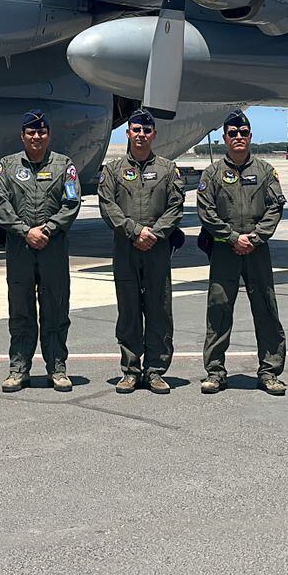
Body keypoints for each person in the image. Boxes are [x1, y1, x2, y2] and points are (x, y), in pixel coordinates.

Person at [196, 110, 287, 395]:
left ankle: (270, 371)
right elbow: (206, 212)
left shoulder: (265, 171)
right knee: (219, 310)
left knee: (266, 309)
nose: (238, 138)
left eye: (243, 133)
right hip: (225, 250)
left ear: (250, 136)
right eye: (233, 134)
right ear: (224, 138)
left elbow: (275, 207)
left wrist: (255, 238)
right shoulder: (212, 174)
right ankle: (215, 371)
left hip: (257, 251)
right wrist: (233, 237)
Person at [0, 109, 81, 392]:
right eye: (31, 132)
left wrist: (49, 229)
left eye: (41, 132)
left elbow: (71, 203)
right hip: (20, 248)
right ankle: (19, 368)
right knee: (20, 311)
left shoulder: (63, 166)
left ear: (48, 135)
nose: (37, 137)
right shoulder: (7, 166)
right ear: (23, 135)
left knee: (55, 309)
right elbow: (0, 203)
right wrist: (24, 231)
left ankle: (57, 368)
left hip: (52, 248)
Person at [97, 108, 183, 394]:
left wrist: (154, 234)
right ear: (128, 133)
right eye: (136, 129)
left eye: (146, 130)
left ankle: (156, 370)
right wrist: (135, 232)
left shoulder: (168, 169)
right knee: (129, 310)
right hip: (126, 248)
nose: (141, 135)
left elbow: (175, 207)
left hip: (157, 248)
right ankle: (131, 369)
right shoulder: (113, 170)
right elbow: (107, 206)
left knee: (159, 308)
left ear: (154, 135)